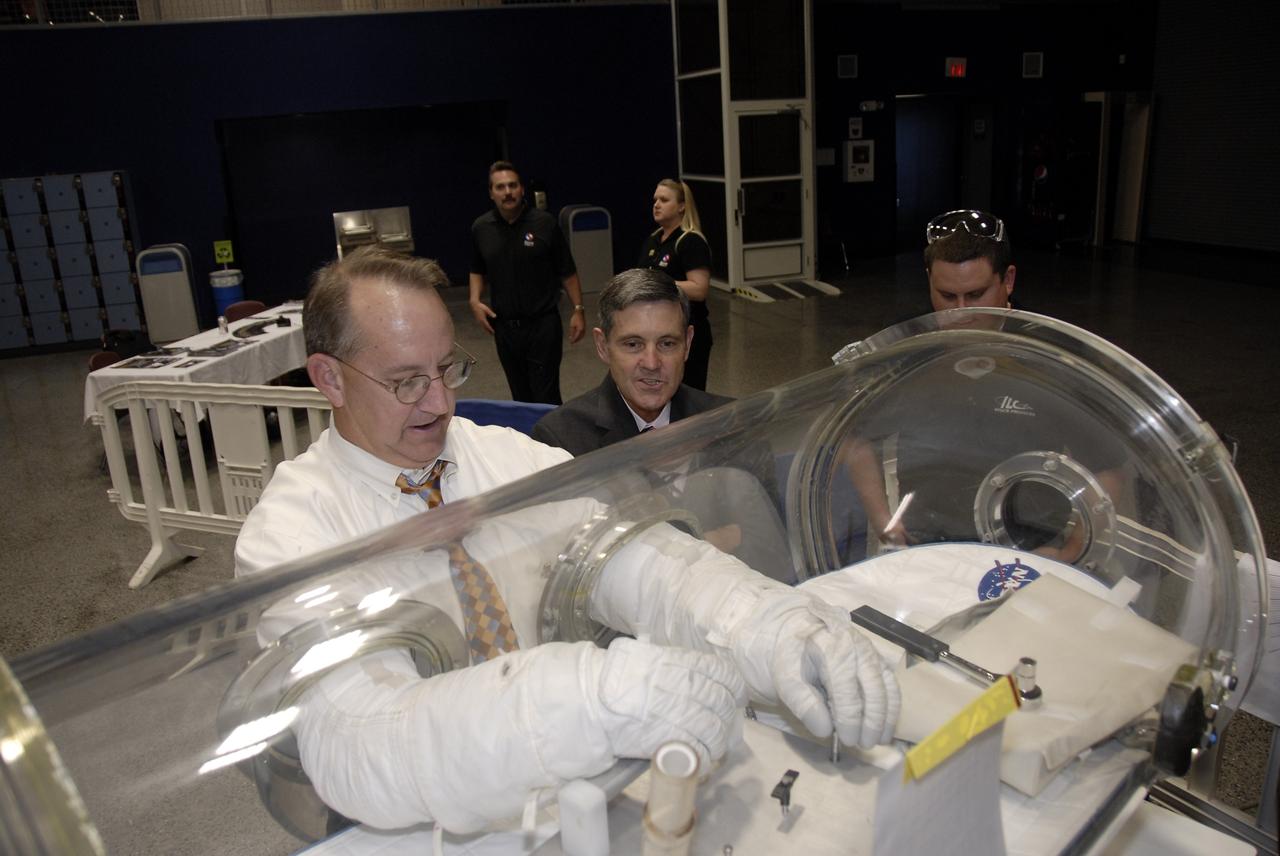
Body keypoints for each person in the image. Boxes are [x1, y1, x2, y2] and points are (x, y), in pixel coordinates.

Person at [234, 246, 899, 834]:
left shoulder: (503, 458)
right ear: (327, 378)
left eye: (447, 369)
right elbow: (364, 743)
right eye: (406, 381)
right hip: (427, 826)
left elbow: (632, 560)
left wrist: (763, 622)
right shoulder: (292, 532)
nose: (439, 404)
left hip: (578, 798)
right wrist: (585, 700)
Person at [844, 209, 1121, 553]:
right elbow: (854, 436)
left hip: (1028, 543)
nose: (960, 312)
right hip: (927, 540)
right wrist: (885, 520)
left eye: (975, 295)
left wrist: (1070, 553)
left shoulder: (1049, 355)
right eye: (946, 296)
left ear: (1008, 281)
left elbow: (1107, 465)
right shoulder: (907, 348)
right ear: (929, 278)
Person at [531, 267, 729, 454]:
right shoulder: (561, 440)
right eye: (633, 344)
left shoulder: (728, 422)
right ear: (602, 346)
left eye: (667, 343)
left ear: (687, 343)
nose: (651, 364)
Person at [469, 160, 586, 404]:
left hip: (543, 325)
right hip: (504, 327)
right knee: (519, 395)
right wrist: (474, 300)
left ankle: (550, 442)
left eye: (512, 185)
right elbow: (477, 268)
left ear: (522, 189)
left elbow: (567, 271)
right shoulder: (481, 228)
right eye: (500, 187)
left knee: (545, 396)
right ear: (491, 193)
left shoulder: (544, 223)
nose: (507, 192)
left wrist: (578, 309)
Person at [638, 179, 713, 390]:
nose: (656, 205)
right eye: (655, 200)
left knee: (687, 394)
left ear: (681, 206)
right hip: (657, 331)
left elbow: (699, 289)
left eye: (664, 200)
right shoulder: (654, 240)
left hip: (688, 331)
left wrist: (660, 282)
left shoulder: (690, 241)